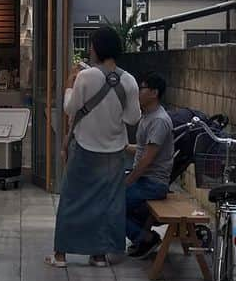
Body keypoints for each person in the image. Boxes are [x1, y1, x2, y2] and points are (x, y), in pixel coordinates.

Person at [46, 25, 141, 268]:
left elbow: (70, 108)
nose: (89, 49)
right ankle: (99, 254)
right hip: (114, 151)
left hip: (85, 147)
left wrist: (69, 85)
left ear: (98, 48)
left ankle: (61, 255)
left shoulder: (86, 77)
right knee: (106, 202)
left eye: (91, 45)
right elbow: (132, 118)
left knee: (72, 199)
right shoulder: (129, 80)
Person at [124, 72, 175, 258]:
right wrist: (122, 147)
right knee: (111, 197)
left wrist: (128, 181)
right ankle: (142, 236)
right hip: (145, 181)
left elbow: (147, 159)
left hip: (152, 183)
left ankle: (145, 238)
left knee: (112, 203)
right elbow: (142, 150)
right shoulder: (147, 116)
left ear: (154, 93)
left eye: (142, 88)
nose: (139, 91)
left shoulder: (159, 121)